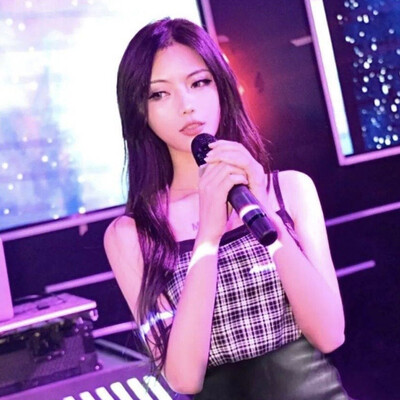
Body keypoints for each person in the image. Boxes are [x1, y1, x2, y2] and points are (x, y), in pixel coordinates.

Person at [104, 17, 351, 399]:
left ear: (221, 86)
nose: (186, 106)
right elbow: (183, 378)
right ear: (140, 110)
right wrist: (207, 236)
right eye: (159, 94)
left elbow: (330, 333)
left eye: (198, 83)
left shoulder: (290, 190)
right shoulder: (132, 234)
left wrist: (264, 208)